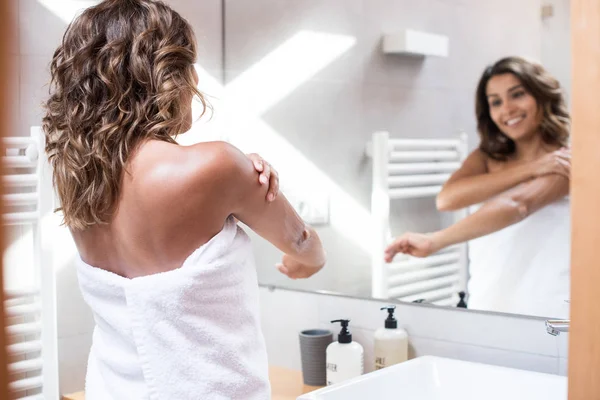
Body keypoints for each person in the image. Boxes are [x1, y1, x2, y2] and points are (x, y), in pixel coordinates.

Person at [42, 1, 326, 398]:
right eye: (189, 64)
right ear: (166, 74)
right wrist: (304, 260)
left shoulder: (76, 180)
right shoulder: (215, 166)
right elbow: (303, 245)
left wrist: (237, 171)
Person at [384, 56, 571, 316]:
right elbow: (447, 199)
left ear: (541, 95)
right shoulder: (486, 158)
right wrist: (531, 168)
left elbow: (519, 204)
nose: (507, 109)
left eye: (517, 95)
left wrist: (434, 241)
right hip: (488, 304)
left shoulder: (567, 160)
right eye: (495, 102)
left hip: (552, 308)